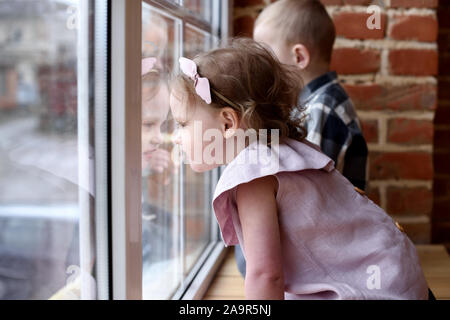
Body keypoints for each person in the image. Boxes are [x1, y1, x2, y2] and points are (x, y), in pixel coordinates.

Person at [169, 38, 430, 300]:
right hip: (399, 276)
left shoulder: (252, 175)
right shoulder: (289, 149)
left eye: (182, 124)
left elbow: (265, 275)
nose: (176, 136)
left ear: (227, 123)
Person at [233, 0, 369, 279]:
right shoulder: (314, 102)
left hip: (336, 239)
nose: (263, 69)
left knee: (251, 256)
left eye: (268, 59)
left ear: (298, 57)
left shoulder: (323, 107)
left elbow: (309, 189)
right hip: (326, 231)